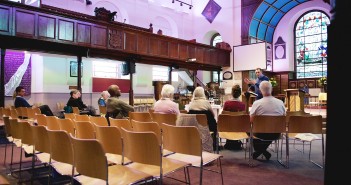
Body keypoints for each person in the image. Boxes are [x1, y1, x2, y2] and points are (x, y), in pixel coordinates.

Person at [249, 81, 286, 160]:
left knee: (247, 128)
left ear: (259, 90)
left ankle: (260, 151)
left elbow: (250, 120)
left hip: (259, 133)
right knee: (269, 131)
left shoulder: (257, 103)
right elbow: (284, 118)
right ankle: (263, 151)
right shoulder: (280, 102)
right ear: (271, 89)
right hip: (276, 133)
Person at [187, 86, 217, 151]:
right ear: (203, 93)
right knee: (214, 123)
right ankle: (214, 145)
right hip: (207, 127)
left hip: (194, 127)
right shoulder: (206, 103)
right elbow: (213, 115)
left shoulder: (191, 104)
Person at [222, 84, 246, 150]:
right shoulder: (242, 105)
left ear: (232, 93)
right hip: (239, 128)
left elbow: (223, 117)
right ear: (240, 94)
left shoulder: (227, 103)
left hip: (227, 128)